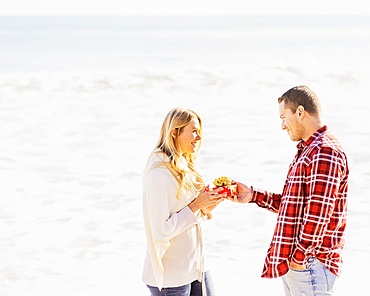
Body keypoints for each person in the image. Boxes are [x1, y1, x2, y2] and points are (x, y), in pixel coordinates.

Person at [232, 86, 349, 296]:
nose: (282, 126)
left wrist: (300, 257)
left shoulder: (324, 151)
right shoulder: (309, 150)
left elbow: (318, 214)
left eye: (284, 117)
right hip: (303, 263)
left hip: (310, 263)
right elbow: (293, 206)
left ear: (301, 112)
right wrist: (252, 195)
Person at [142, 107, 223, 296]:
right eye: (194, 131)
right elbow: (161, 230)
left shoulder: (185, 166)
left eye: (200, 132)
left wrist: (208, 206)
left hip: (197, 266)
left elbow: (193, 216)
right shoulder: (158, 174)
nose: (199, 137)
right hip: (171, 276)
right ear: (174, 132)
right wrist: (196, 205)